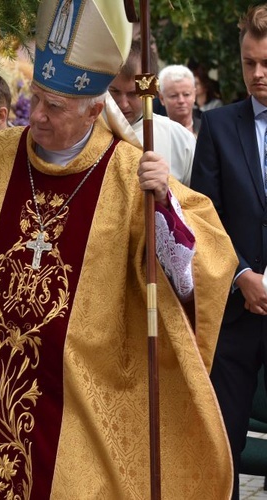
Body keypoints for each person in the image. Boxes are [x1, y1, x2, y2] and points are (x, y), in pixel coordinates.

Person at [0, 0, 237, 497]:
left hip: (81, 399)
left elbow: (199, 269)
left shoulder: (130, 175)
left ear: (95, 110)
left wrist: (163, 203)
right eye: (35, 97)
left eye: (56, 106)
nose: (39, 115)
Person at [191, 5, 267, 498]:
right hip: (235, 318)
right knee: (220, 448)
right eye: (248, 63)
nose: (257, 74)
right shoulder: (218, 128)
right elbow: (204, 219)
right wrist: (240, 274)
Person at [107, 38, 196, 185]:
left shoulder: (179, 139)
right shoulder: (86, 132)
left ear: (151, 90)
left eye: (133, 93)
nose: (123, 104)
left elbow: (198, 203)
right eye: (115, 92)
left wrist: (166, 198)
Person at [159, 64, 199, 135]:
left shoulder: (208, 130)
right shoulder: (154, 134)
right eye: (173, 96)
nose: (181, 100)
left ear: (194, 95)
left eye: (186, 94)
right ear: (162, 98)